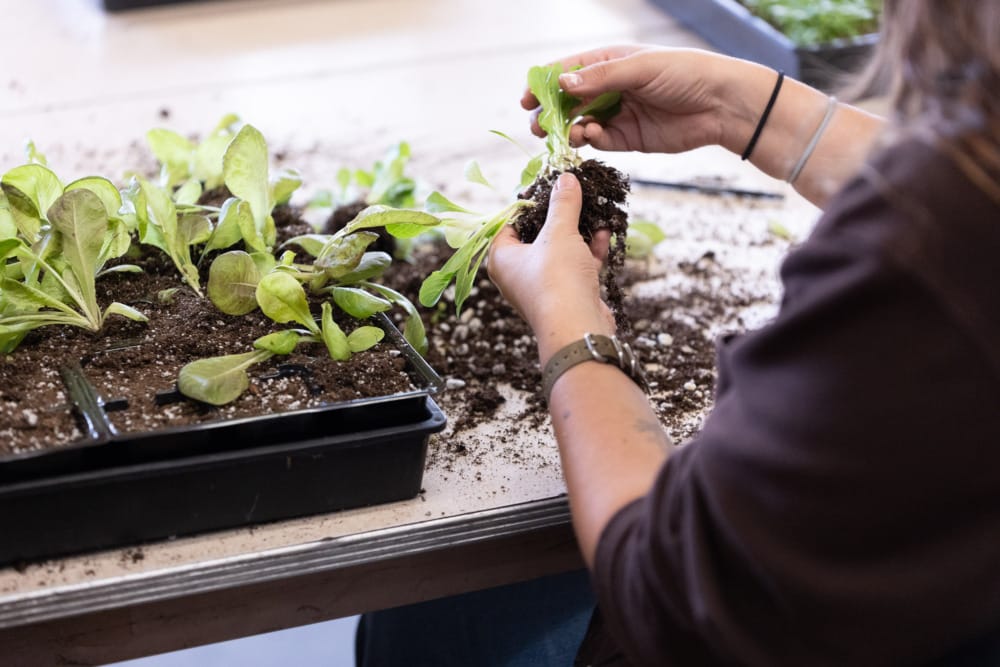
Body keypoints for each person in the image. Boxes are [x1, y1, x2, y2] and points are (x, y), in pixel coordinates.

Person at [359, 1, 1000, 664]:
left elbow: (664, 588)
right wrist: (742, 107)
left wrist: (570, 324)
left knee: (426, 611)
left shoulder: (923, 268)